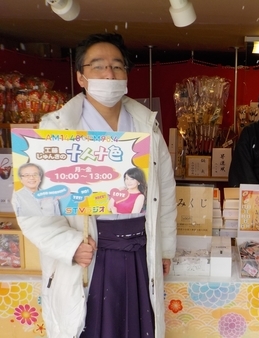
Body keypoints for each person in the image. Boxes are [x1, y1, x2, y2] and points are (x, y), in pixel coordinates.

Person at [13, 33, 177, 338]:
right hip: (90, 252)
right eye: (98, 66)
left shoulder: (146, 126)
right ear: (80, 76)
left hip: (140, 251)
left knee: (138, 329)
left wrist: (164, 248)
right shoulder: (56, 128)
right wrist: (69, 244)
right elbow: (32, 202)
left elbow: (164, 192)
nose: (109, 74)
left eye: (117, 66)